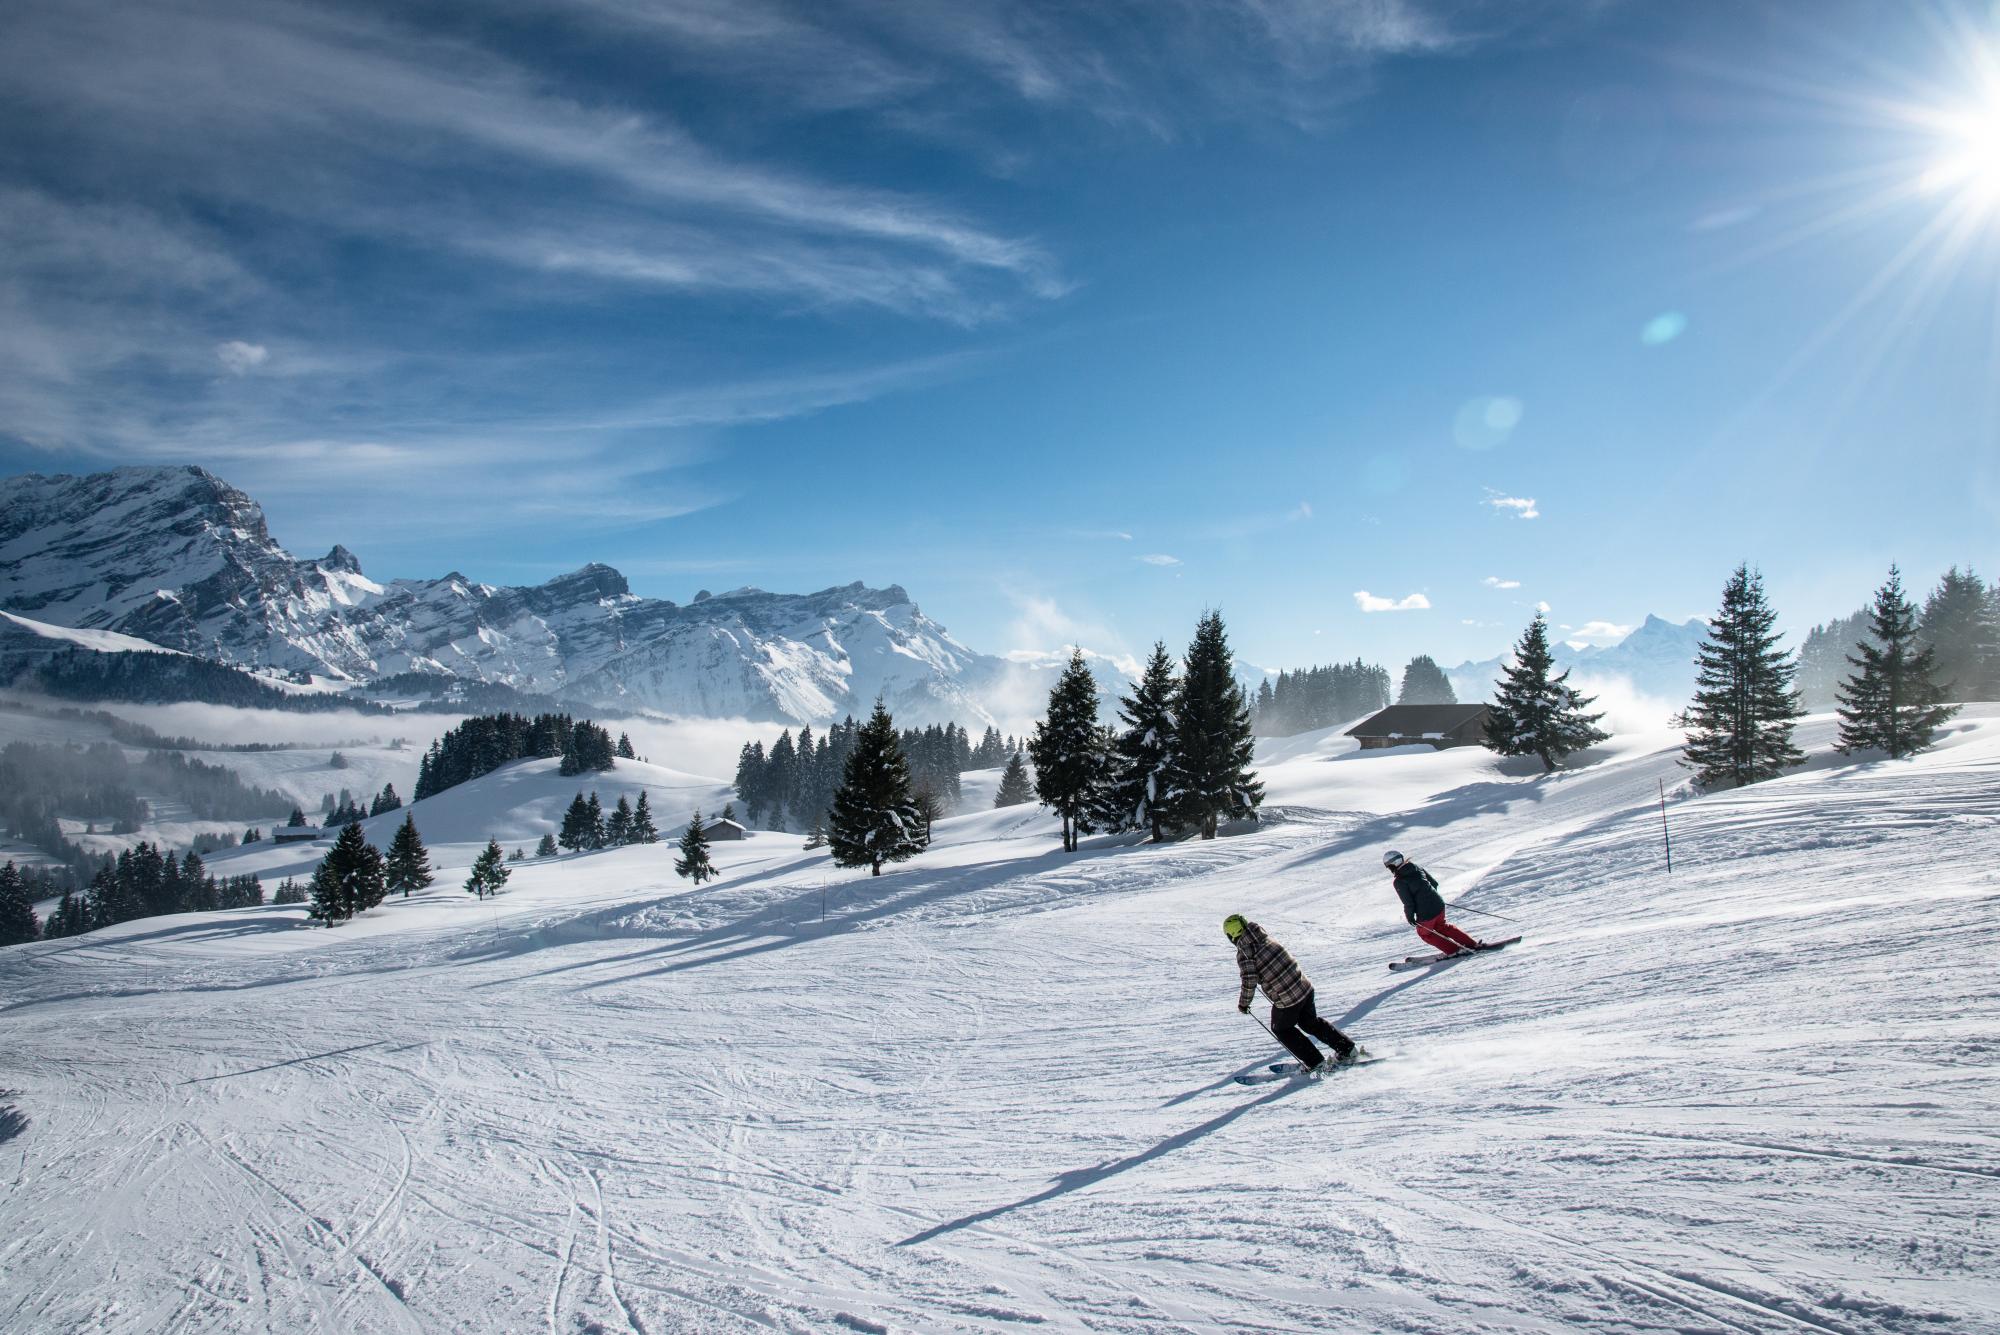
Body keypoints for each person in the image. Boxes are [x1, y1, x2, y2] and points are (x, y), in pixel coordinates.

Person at [1224, 914, 1361, 1075]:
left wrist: (1244, 1004)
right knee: (1310, 1023)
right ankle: (1348, 1050)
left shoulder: (1245, 953)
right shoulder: (1263, 936)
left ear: (1232, 935)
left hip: (1289, 999)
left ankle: (1315, 1062)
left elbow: (1249, 980)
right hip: (1305, 988)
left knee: (1282, 1029)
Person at [1383, 849, 1487, 957]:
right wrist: (1431, 898)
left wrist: (1410, 917)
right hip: (1439, 903)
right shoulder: (1417, 867)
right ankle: (1472, 944)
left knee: (1424, 933)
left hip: (1426, 913)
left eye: (1388, 866)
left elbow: (1409, 903)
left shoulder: (1399, 881)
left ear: (1392, 865)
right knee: (1442, 927)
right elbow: (1434, 883)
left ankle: (1454, 950)